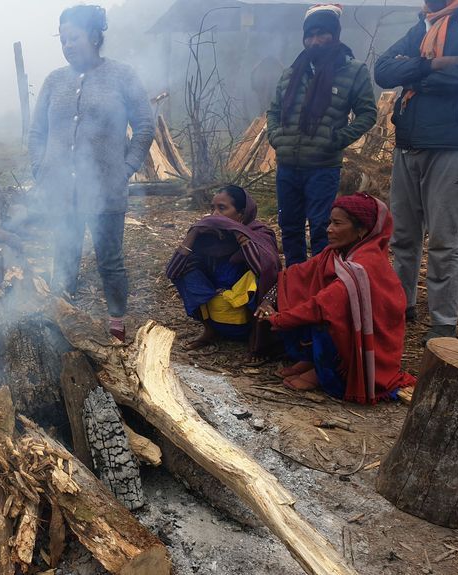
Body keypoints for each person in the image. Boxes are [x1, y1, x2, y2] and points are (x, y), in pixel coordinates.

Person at [28, 4, 155, 341]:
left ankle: (116, 324)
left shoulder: (122, 75)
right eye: (63, 39)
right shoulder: (55, 81)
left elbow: (144, 126)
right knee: (65, 256)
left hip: (105, 190)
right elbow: (37, 131)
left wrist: (125, 168)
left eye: (74, 38)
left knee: (109, 260)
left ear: (96, 36)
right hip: (61, 190)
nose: (68, 45)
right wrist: (39, 168)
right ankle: (59, 322)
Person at [373, 0, 458, 342]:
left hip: (452, 143)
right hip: (408, 142)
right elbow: (383, 71)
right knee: (403, 236)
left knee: (445, 242)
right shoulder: (422, 25)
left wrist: (417, 73)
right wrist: (433, 65)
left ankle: (443, 323)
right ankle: (401, 306)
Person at [255, 194, 416, 404]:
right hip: (339, 324)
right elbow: (295, 275)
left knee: (325, 319)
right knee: (296, 291)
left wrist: (278, 319)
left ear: (362, 230)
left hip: (369, 350)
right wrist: (269, 300)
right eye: (330, 222)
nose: (329, 229)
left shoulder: (364, 265)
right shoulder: (335, 254)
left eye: (337, 224)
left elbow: (323, 305)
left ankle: (325, 373)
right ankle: (312, 360)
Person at [266, 4, 378, 266]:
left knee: (321, 229)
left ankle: (320, 285)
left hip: (322, 167)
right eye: (310, 35)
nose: (315, 41)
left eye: (322, 34)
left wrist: (336, 140)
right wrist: (276, 137)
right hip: (287, 167)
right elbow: (273, 111)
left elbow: (367, 114)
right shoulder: (292, 73)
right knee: (290, 228)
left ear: (334, 35)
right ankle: (295, 282)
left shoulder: (353, 71)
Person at [166, 186, 281, 355]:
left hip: (247, 316)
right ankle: (210, 331)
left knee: (257, 277)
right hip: (217, 309)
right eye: (212, 208)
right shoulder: (208, 238)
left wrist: (238, 233)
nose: (215, 215)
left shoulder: (260, 234)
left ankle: (256, 339)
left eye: (222, 208)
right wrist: (194, 233)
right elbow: (173, 272)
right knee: (186, 270)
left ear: (241, 214)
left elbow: (264, 272)